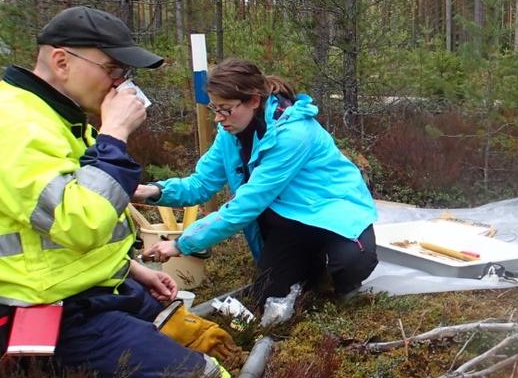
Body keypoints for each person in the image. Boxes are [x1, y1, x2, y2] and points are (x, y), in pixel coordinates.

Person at [0, 6, 231, 378]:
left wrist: (130, 270)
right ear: (62, 61)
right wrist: (114, 133)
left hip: (87, 291)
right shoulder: (13, 126)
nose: (121, 84)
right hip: (49, 311)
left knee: (190, 333)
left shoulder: (57, 118)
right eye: (113, 69)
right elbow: (80, 223)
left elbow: (67, 224)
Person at [136, 58, 378, 308]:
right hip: (290, 219)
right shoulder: (229, 133)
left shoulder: (294, 133)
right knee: (269, 296)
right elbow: (201, 183)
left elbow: (247, 204)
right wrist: (152, 191)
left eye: (226, 109)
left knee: (351, 262)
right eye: (214, 109)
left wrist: (181, 244)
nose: (219, 118)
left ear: (253, 100)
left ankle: (344, 283)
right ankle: (311, 265)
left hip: (332, 209)